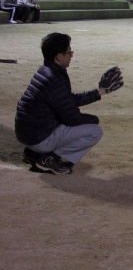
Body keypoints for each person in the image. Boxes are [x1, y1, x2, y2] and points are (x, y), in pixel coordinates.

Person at [15, 32, 123, 174]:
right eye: (69, 52)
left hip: (27, 133)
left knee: (64, 120)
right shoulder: (55, 79)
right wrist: (93, 120)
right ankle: (49, 159)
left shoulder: (45, 71)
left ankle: (33, 153)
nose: (71, 55)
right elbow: (72, 118)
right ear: (59, 56)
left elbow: (68, 100)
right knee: (94, 131)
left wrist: (100, 92)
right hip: (38, 139)